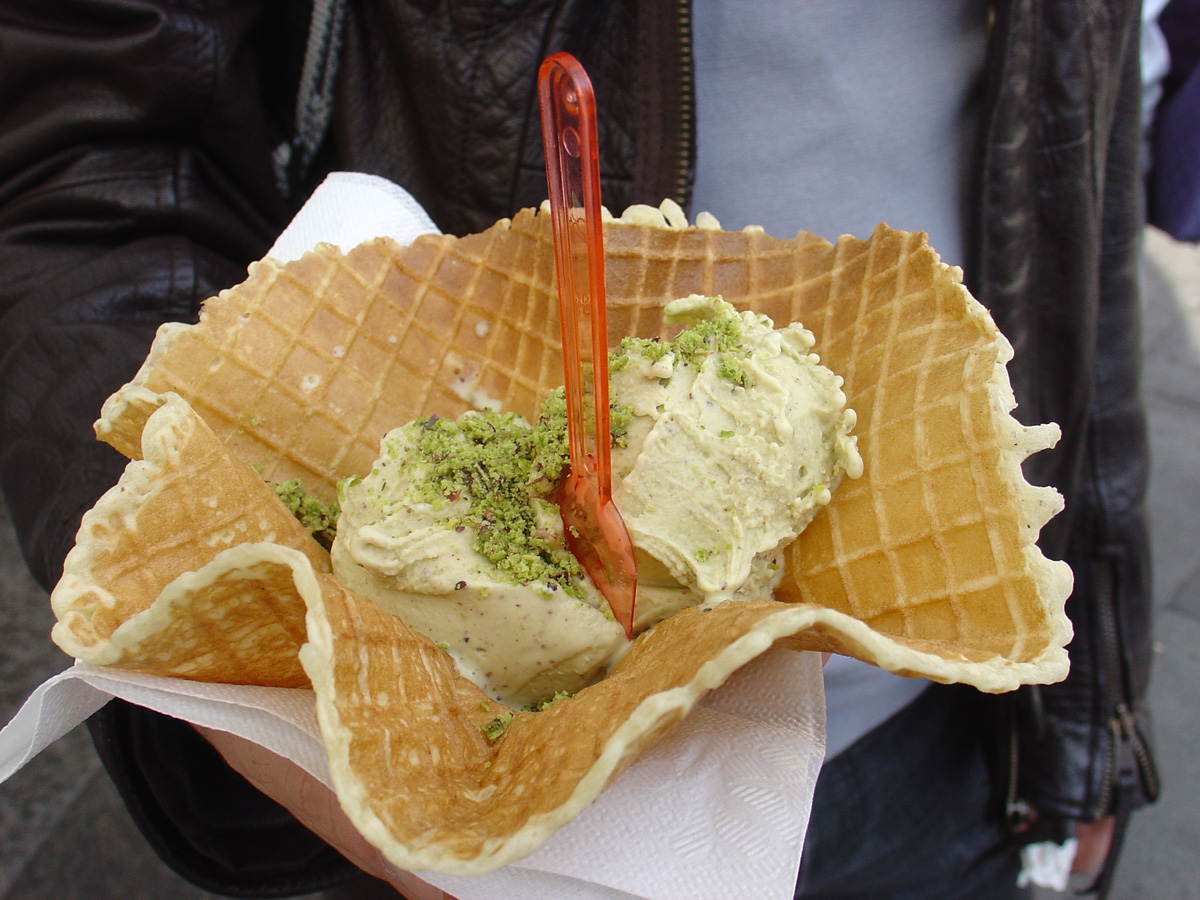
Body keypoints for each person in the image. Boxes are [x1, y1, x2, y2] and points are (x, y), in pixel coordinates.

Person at [0, 1, 1159, 898]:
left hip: (946, 743)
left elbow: (1077, 193)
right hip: (477, 765)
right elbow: (85, 156)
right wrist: (231, 640)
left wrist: (1094, 722)